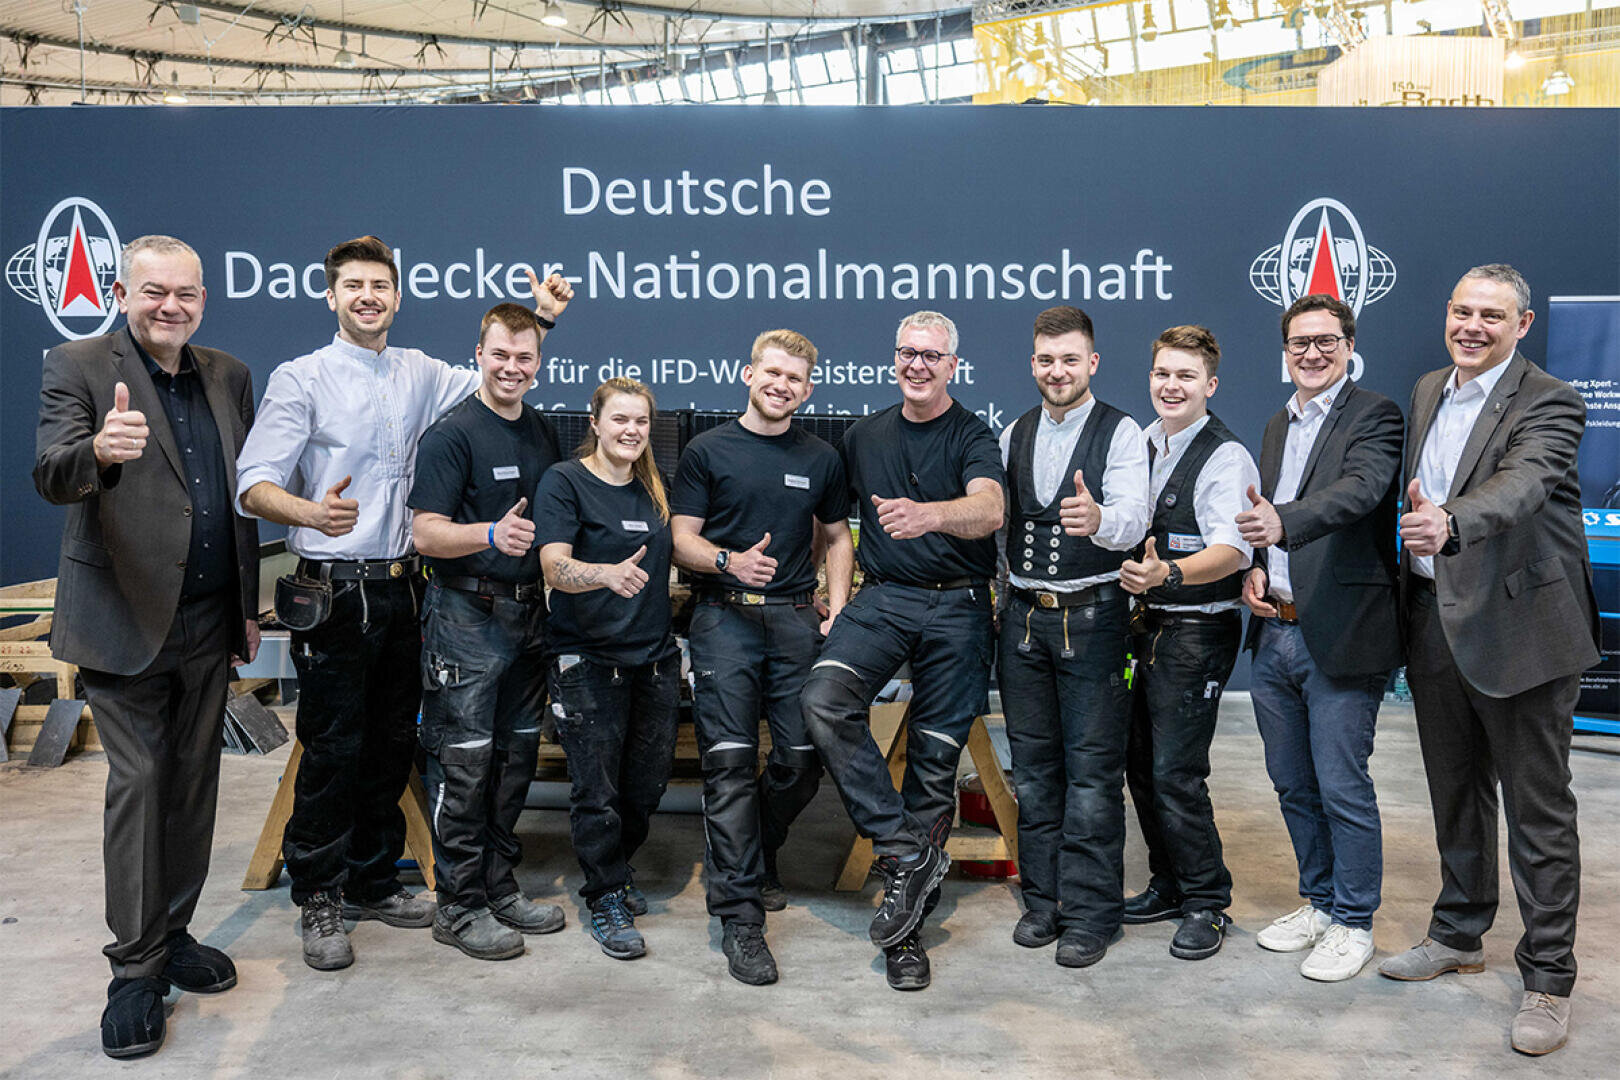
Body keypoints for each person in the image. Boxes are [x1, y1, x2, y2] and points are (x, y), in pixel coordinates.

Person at [237, 235, 572, 970]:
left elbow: (499, 372)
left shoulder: (422, 373)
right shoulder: (303, 378)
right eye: (353, 286)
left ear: (397, 296)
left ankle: (371, 878)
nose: (367, 297)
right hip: (333, 589)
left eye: (379, 287)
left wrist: (540, 319)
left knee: (395, 742)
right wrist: (303, 513)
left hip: (405, 588)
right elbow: (253, 479)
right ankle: (319, 897)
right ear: (331, 296)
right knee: (332, 748)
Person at [33, 235, 259, 1058]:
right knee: (139, 782)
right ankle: (133, 972)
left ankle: (173, 933)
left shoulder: (228, 374)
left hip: (207, 620)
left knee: (194, 784)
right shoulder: (80, 363)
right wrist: (97, 452)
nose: (172, 306)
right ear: (124, 290)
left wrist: (246, 605)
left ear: (204, 297)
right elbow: (52, 471)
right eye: (155, 291)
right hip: (122, 617)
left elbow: (237, 499)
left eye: (187, 294)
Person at [1380, 265, 1598, 1056]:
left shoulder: (1550, 401)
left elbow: (1524, 484)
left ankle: (1548, 978)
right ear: (1447, 314)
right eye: (1463, 311)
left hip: (1523, 630)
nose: (1473, 326)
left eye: (1492, 316)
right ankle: (1459, 933)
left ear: (1523, 326)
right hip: (1436, 620)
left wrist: (1451, 523)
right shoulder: (1430, 386)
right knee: (1455, 791)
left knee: (1539, 811)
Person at [799, 310, 1005, 991]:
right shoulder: (864, 435)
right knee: (823, 698)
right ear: (895, 359)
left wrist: (932, 515)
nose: (918, 365)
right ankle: (907, 854)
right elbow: (829, 524)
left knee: (934, 763)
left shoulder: (972, 434)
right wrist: (826, 589)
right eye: (907, 353)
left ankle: (905, 935)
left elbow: (991, 508)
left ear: (953, 366)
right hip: (884, 598)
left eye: (932, 356)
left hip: (960, 604)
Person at [671, 329, 853, 985]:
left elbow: (835, 537)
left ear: (808, 389)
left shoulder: (821, 457)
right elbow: (681, 539)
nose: (781, 385)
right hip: (725, 620)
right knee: (727, 767)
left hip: (798, 621)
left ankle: (760, 845)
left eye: (794, 378)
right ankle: (741, 920)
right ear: (748, 373)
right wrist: (729, 561)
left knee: (803, 759)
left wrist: (835, 605)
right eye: (771, 373)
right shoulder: (706, 450)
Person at [1237, 294, 1403, 982]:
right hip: (1275, 630)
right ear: (1285, 352)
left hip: (1341, 633)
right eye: (1300, 342)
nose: (1312, 352)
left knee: (1341, 785)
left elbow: (1360, 492)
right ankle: (1321, 901)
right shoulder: (1280, 422)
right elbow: (1266, 522)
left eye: (1325, 341)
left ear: (1348, 345)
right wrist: (1255, 567)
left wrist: (1281, 523)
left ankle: (1356, 921)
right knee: (1292, 783)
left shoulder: (1376, 415)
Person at [408, 303, 566, 960]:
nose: (512, 367)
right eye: (500, 354)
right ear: (479, 354)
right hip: (466, 618)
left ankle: (498, 886)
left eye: (524, 357)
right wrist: (490, 534)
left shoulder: (540, 431)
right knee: (465, 766)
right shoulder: (452, 435)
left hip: (529, 617)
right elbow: (424, 532)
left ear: (538, 361)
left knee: (514, 762)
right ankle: (458, 903)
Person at [996, 306, 1150, 969]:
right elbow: (1001, 526)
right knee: (1033, 771)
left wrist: (1099, 521)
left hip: (1094, 616)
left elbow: (1135, 515)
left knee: (1091, 776)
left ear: (1091, 363)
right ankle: (1044, 900)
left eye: (1070, 359)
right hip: (1023, 618)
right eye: (1046, 360)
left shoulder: (1121, 433)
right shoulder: (1013, 432)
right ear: (1033, 364)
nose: (1057, 371)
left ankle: (1093, 914)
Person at [1117, 325, 1258, 961]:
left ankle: (1207, 900)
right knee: (1141, 764)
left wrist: (1169, 574)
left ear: (1210, 385)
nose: (1170, 386)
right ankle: (1168, 883)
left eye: (1185, 377)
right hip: (1144, 625)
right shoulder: (1144, 441)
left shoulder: (1224, 457)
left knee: (1176, 771)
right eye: (1162, 374)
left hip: (1198, 629)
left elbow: (1233, 551)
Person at [534, 377, 679, 962]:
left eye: (640, 422)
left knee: (647, 783)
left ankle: (617, 868)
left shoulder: (652, 490)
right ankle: (604, 896)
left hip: (655, 659)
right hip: (587, 660)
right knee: (598, 791)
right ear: (594, 423)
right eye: (619, 419)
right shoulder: (564, 482)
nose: (631, 431)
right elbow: (553, 567)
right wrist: (604, 574)